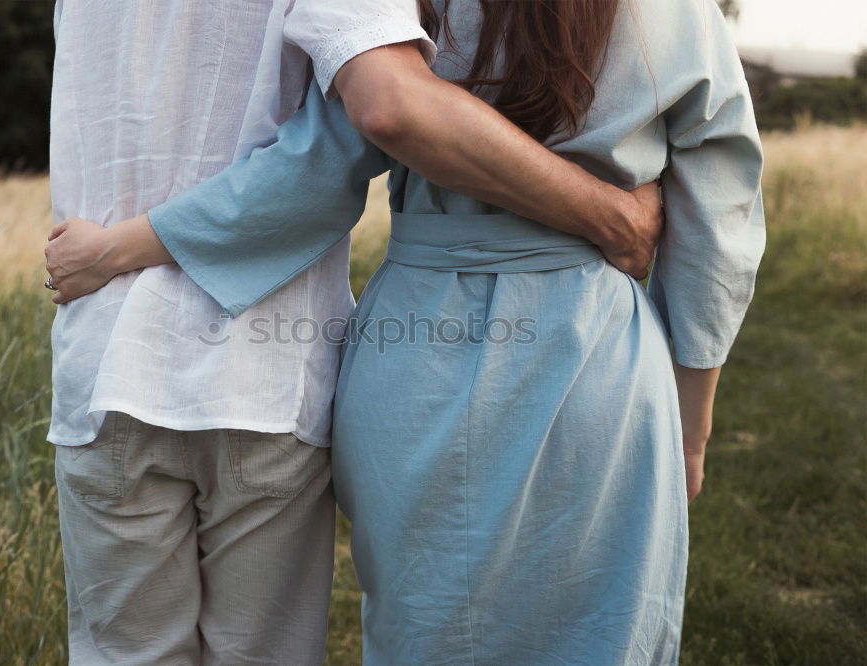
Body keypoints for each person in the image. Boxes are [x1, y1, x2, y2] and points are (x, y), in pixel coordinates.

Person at [43, 0, 665, 664]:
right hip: (259, 372)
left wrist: (116, 250)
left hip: (104, 357)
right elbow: (373, 116)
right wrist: (607, 215)